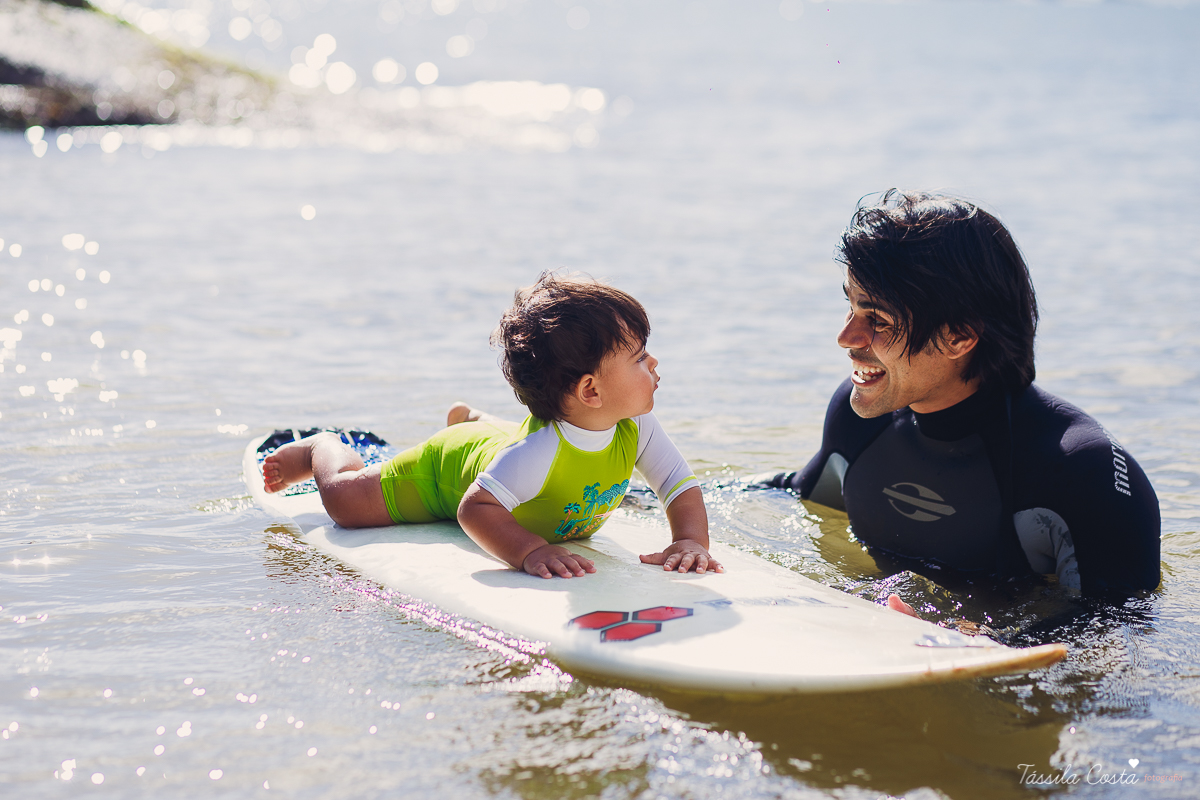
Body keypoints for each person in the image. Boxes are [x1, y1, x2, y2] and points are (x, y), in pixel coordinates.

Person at [755, 190, 1159, 604]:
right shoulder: (858, 416)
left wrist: (960, 641)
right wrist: (687, 502)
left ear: (959, 336)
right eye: (851, 307)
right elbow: (791, 495)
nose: (845, 338)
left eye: (876, 319)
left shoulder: (1079, 470)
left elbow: (1113, 639)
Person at [262, 272, 722, 580]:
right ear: (591, 391)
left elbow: (679, 485)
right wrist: (529, 551)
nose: (654, 362)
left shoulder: (637, 426)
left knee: (515, 447)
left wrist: (688, 540)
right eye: (639, 357)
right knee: (345, 504)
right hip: (451, 468)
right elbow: (474, 509)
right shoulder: (538, 454)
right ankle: (320, 448)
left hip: (504, 447)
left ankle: (475, 418)